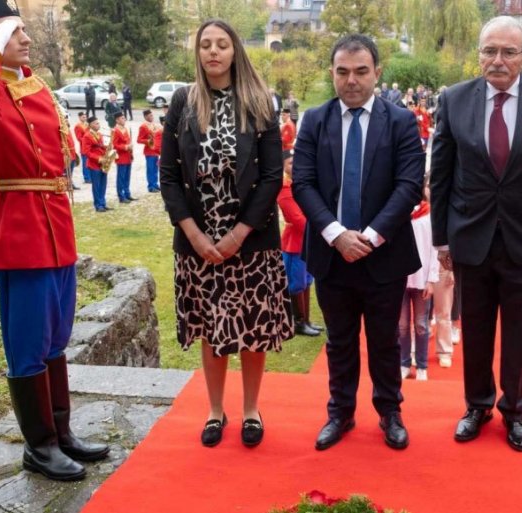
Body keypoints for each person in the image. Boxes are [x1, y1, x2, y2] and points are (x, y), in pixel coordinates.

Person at [0, 0, 110, 482]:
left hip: (56, 226)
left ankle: (60, 434)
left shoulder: (31, 83)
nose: (26, 38)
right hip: (21, 230)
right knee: (27, 342)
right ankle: (39, 446)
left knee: (56, 338)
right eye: (11, 31)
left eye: (22, 30)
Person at [430, 16, 522, 452]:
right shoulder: (454, 99)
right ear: (479, 54)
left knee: (519, 331)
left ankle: (514, 409)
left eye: (508, 52)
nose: (498, 60)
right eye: (489, 51)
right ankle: (477, 406)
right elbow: (442, 175)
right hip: (470, 238)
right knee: (474, 329)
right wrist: (441, 239)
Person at [160, 19, 293, 449]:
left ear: (235, 50)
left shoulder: (258, 101)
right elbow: (168, 176)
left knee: (253, 330)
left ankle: (251, 410)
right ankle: (215, 411)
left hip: (251, 241)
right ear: (197, 52)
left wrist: (238, 233)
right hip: (198, 243)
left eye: (221, 44)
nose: (213, 52)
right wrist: (195, 236)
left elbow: (271, 176)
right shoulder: (183, 102)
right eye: (206, 45)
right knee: (210, 328)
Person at [292, 34, 425, 451]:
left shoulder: (401, 121)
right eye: (343, 71)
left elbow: (408, 186)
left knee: (385, 340)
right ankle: (340, 412)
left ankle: (390, 412)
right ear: (332, 73)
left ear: (377, 73)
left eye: (361, 71)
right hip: (332, 255)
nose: (352, 80)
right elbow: (303, 183)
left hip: (383, 254)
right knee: (339, 340)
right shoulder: (314, 120)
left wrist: (367, 237)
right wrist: (336, 235)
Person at [277, 150, 321, 337]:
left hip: (306, 239)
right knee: (297, 283)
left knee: (307, 280)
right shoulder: (284, 188)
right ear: (282, 167)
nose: (294, 166)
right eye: (290, 163)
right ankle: (298, 322)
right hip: (295, 242)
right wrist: (319, 229)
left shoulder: (300, 184)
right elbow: (297, 218)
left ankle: (307, 320)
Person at [398, 177, 438, 381]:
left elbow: (434, 248)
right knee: (402, 325)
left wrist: (432, 279)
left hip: (422, 278)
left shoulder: (429, 214)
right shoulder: (398, 213)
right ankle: (404, 363)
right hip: (400, 277)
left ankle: (422, 365)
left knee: (421, 325)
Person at [82, 116, 109, 212]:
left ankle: (103, 203)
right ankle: (98, 205)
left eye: (98, 123)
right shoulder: (87, 136)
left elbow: (101, 147)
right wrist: (98, 158)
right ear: (90, 125)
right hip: (94, 164)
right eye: (96, 123)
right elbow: (86, 152)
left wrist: (108, 148)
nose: (98, 125)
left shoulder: (99, 134)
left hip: (103, 163)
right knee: (96, 186)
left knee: (103, 184)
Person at [111, 111, 135, 203]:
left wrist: (130, 148)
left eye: (124, 118)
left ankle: (127, 193)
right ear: (117, 120)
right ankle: (121, 196)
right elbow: (114, 145)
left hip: (128, 155)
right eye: (122, 118)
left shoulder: (125, 128)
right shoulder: (115, 130)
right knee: (121, 177)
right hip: (121, 156)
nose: (124, 119)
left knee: (127, 176)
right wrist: (125, 147)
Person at [137, 109, 161, 192]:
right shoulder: (143, 126)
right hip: (149, 151)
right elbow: (139, 140)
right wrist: (147, 141)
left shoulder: (154, 125)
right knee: (150, 169)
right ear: (145, 117)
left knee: (155, 169)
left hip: (155, 150)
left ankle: (155, 184)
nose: (152, 117)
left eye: (152, 115)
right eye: (150, 116)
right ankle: (151, 186)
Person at [74, 111, 91, 183]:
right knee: (85, 163)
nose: (85, 118)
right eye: (83, 117)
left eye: (85, 117)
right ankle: (86, 178)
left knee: (90, 162)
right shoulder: (78, 126)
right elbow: (79, 138)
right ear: (79, 117)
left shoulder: (88, 125)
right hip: (84, 147)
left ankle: (90, 177)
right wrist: (87, 139)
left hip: (90, 147)